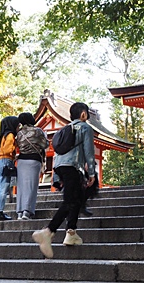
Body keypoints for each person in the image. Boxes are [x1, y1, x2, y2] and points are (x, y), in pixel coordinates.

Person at [32, 102, 96, 258]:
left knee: (76, 199)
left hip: (62, 167)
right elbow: (88, 151)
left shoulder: (64, 130)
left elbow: (57, 154)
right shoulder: (84, 127)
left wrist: (57, 176)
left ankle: (71, 233)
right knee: (70, 201)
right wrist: (92, 173)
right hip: (73, 167)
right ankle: (48, 231)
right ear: (83, 114)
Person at [16, 112, 49, 220]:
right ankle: (27, 211)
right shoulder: (38, 131)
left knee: (21, 187)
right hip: (33, 160)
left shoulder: (19, 133)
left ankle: (19, 212)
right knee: (31, 186)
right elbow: (45, 145)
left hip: (21, 161)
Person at [0, 116, 19, 221]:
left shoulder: (3, 136)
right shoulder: (10, 135)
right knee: (3, 188)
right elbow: (7, 150)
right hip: (6, 161)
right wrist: (15, 147)